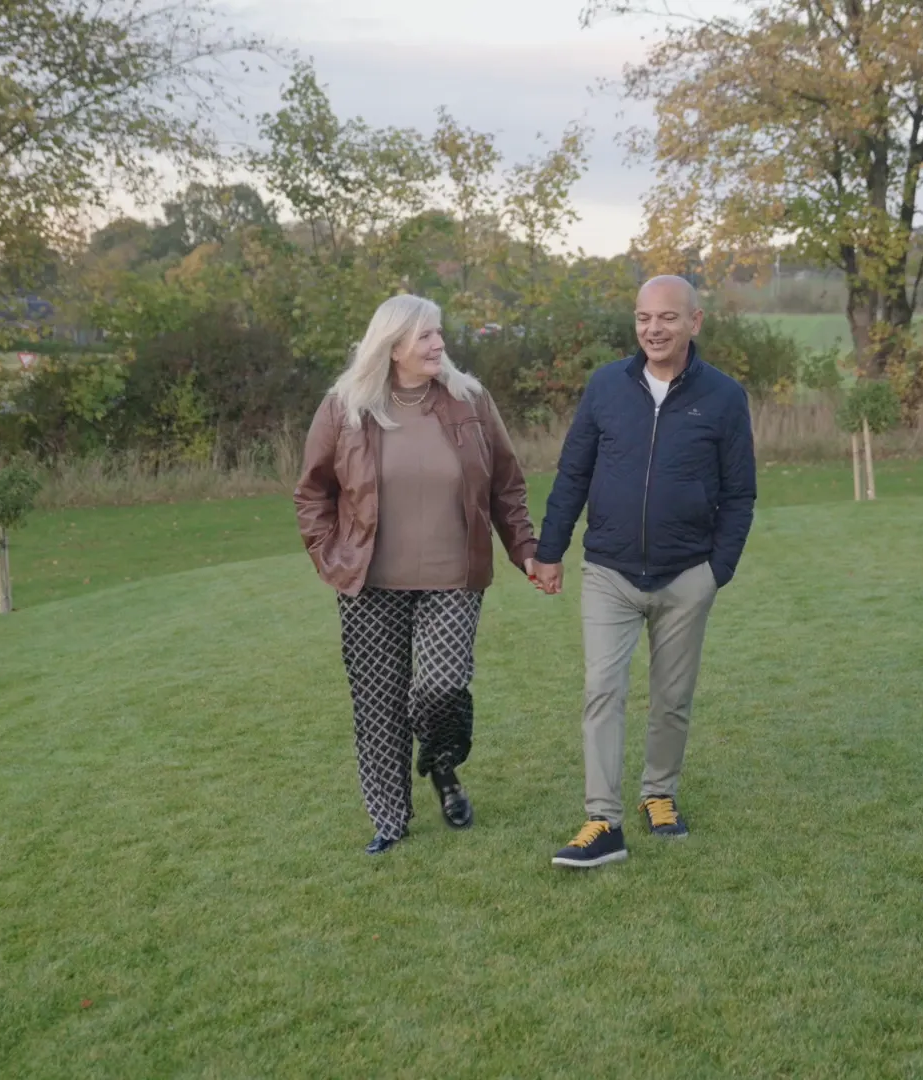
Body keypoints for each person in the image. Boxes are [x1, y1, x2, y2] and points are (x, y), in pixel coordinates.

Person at [295, 294, 541, 856]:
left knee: (440, 688)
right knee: (378, 705)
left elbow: (507, 484)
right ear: (393, 344)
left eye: (439, 334)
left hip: (454, 578)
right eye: (426, 336)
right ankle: (389, 819)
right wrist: (329, 554)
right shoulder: (345, 406)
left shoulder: (469, 399)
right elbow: (313, 491)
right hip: (369, 584)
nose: (439, 344)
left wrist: (524, 547)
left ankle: (444, 768)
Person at [530, 275, 757, 869]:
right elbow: (573, 473)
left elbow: (740, 494)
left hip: (688, 574)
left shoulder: (725, 397)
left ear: (695, 322)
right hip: (610, 570)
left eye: (667, 318)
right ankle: (602, 821)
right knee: (602, 689)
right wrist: (549, 550)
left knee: (672, 698)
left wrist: (717, 570)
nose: (653, 329)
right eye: (642, 318)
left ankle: (661, 795)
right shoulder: (607, 386)